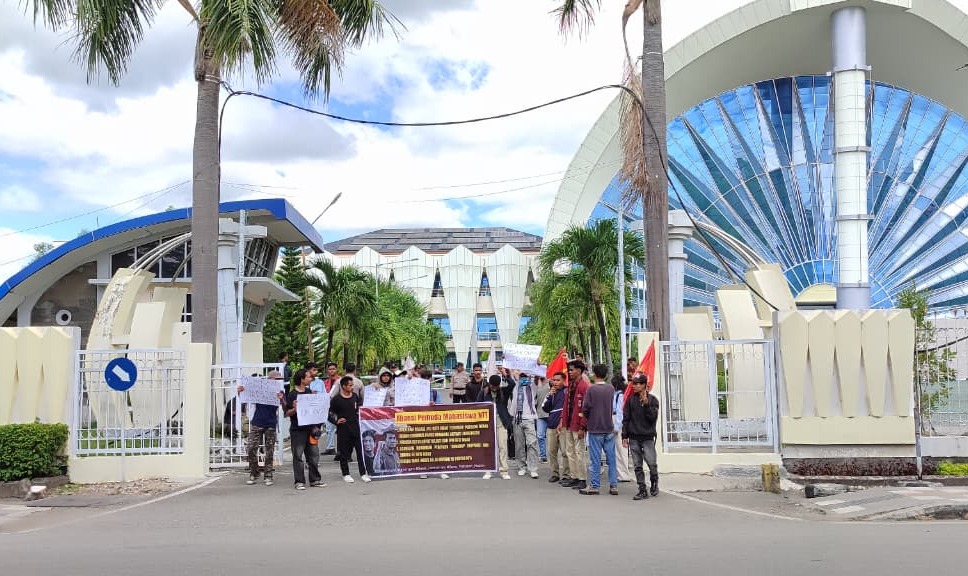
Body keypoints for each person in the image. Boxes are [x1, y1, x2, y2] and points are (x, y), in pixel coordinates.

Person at [237, 370, 284, 486]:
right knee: (251, 448)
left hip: (271, 424)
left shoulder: (281, 391)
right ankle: (254, 472)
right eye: (276, 380)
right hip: (257, 422)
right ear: (270, 379)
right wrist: (240, 392)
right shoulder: (260, 388)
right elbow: (246, 397)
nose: (278, 382)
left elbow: (285, 405)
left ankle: (268, 475)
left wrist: (281, 398)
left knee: (270, 451)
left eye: (280, 380)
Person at [580, 364, 619, 496]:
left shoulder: (591, 390)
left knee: (595, 459)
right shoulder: (611, 388)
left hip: (595, 428)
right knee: (611, 458)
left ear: (594, 374)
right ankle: (614, 485)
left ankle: (595, 485)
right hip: (608, 427)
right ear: (606, 375)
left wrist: (587, 416)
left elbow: (585, 408)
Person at [282, 369, 324, 490]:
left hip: (310, 429)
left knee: (314, 455)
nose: (310, 379)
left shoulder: (309, 392)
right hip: (298, 430)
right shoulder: (292, 394)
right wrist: (295, 408)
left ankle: (315, 479)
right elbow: (287, 413)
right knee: (298, 456)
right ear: (301, 379)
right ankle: (299, 481)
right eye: (308, 377)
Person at [622, 373, 660, 500]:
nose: (635, 386)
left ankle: (654, 481)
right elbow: (626, 418)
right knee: (637, 465)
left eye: (638, 383)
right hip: (634, 437)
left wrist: (646, 404)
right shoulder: (630, 400)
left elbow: (653, 418)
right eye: (634, 383)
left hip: (647, 437)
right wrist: (624, 435)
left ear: (644, 385)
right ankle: (642, 489)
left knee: (651, 463)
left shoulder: (653, 400)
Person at [330, 375, 369, 483]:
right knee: (344, 453)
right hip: (343, 429)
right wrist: (336, 421)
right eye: (350, 385)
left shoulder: (355, 396)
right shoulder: (336, 399)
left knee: (360, 452)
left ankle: (363, 473)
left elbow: (359, 409)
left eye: (353, 385)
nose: (352, 387)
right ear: (343, 386)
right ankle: (346, 473)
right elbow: (330, 413)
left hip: (355, 427)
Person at [478, 368, 515, 480]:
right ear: (489, 385)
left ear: (499, 385)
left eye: (496, 386)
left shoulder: (503, 391)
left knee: (503, 446)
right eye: (492, 386)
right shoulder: (484, 392)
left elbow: (512, 384)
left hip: (501, 422)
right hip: (487, 423)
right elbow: (477, 405)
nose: (494, 388)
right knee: (488, 447)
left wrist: (506, 375)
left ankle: (504, 470)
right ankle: (488, 470)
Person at [559, 360, 589, 490]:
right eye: (569, 370)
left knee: (579, 452)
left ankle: (582, 478)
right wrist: (562, 421)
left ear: (579, 370)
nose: (570, 372)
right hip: (569, 423)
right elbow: (566, 405)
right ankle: (574, 476)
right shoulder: (570, 385)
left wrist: (583, 427)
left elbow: (586, 409)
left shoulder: (584, 386)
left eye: (572, 370)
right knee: (569, 451)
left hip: (578, 425)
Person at [509, 372, 540, 479]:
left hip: (529, 419)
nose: (523, 379)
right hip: (517, 419)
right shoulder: (516, 387)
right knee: (519, 445)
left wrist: (536, 367)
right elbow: (510, 373)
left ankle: (533, 468)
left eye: (525, 377)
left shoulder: (532, 387)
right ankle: (522, 467)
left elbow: (538, 376)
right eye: (522, 377)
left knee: (532, 443)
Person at [541, 371, 568, 483]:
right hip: (551, 425)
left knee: (565, 452)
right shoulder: (550, 393)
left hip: (563, 427)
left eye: (558, 380)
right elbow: (545, 408)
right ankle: (555, 473)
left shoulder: (567, 392)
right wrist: (549, 396)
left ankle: (567, 474)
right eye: (554, 380)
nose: (556, 382)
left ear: (563, 380)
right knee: (552, 451)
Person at [611, 374, 633, 483]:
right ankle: (621, 473)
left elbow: (620, 411)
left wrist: (616, 426)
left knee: (621, 448)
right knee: (618, 449)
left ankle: (624, 474)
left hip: (617, 421)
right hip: (615, 419)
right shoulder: (618, 394)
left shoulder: (619, 395)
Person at [320, 362, 341, 456]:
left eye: (333, 369)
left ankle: (341, 450)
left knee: (341, 429)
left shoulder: (341, 380)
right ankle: (330, 447)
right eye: (330, 369)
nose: (332, 370)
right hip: (328, 407)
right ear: (327, 370)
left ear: (336, 370)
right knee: (329, 428)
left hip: (339, 407)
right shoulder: (325, 382)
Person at [535, 375, 550, 462]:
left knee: (554, 437)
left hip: (550, 414)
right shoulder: (536, 384)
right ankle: (543, 455)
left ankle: (553, 454)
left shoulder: (550, 383)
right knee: (540, 435)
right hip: (540, 414)